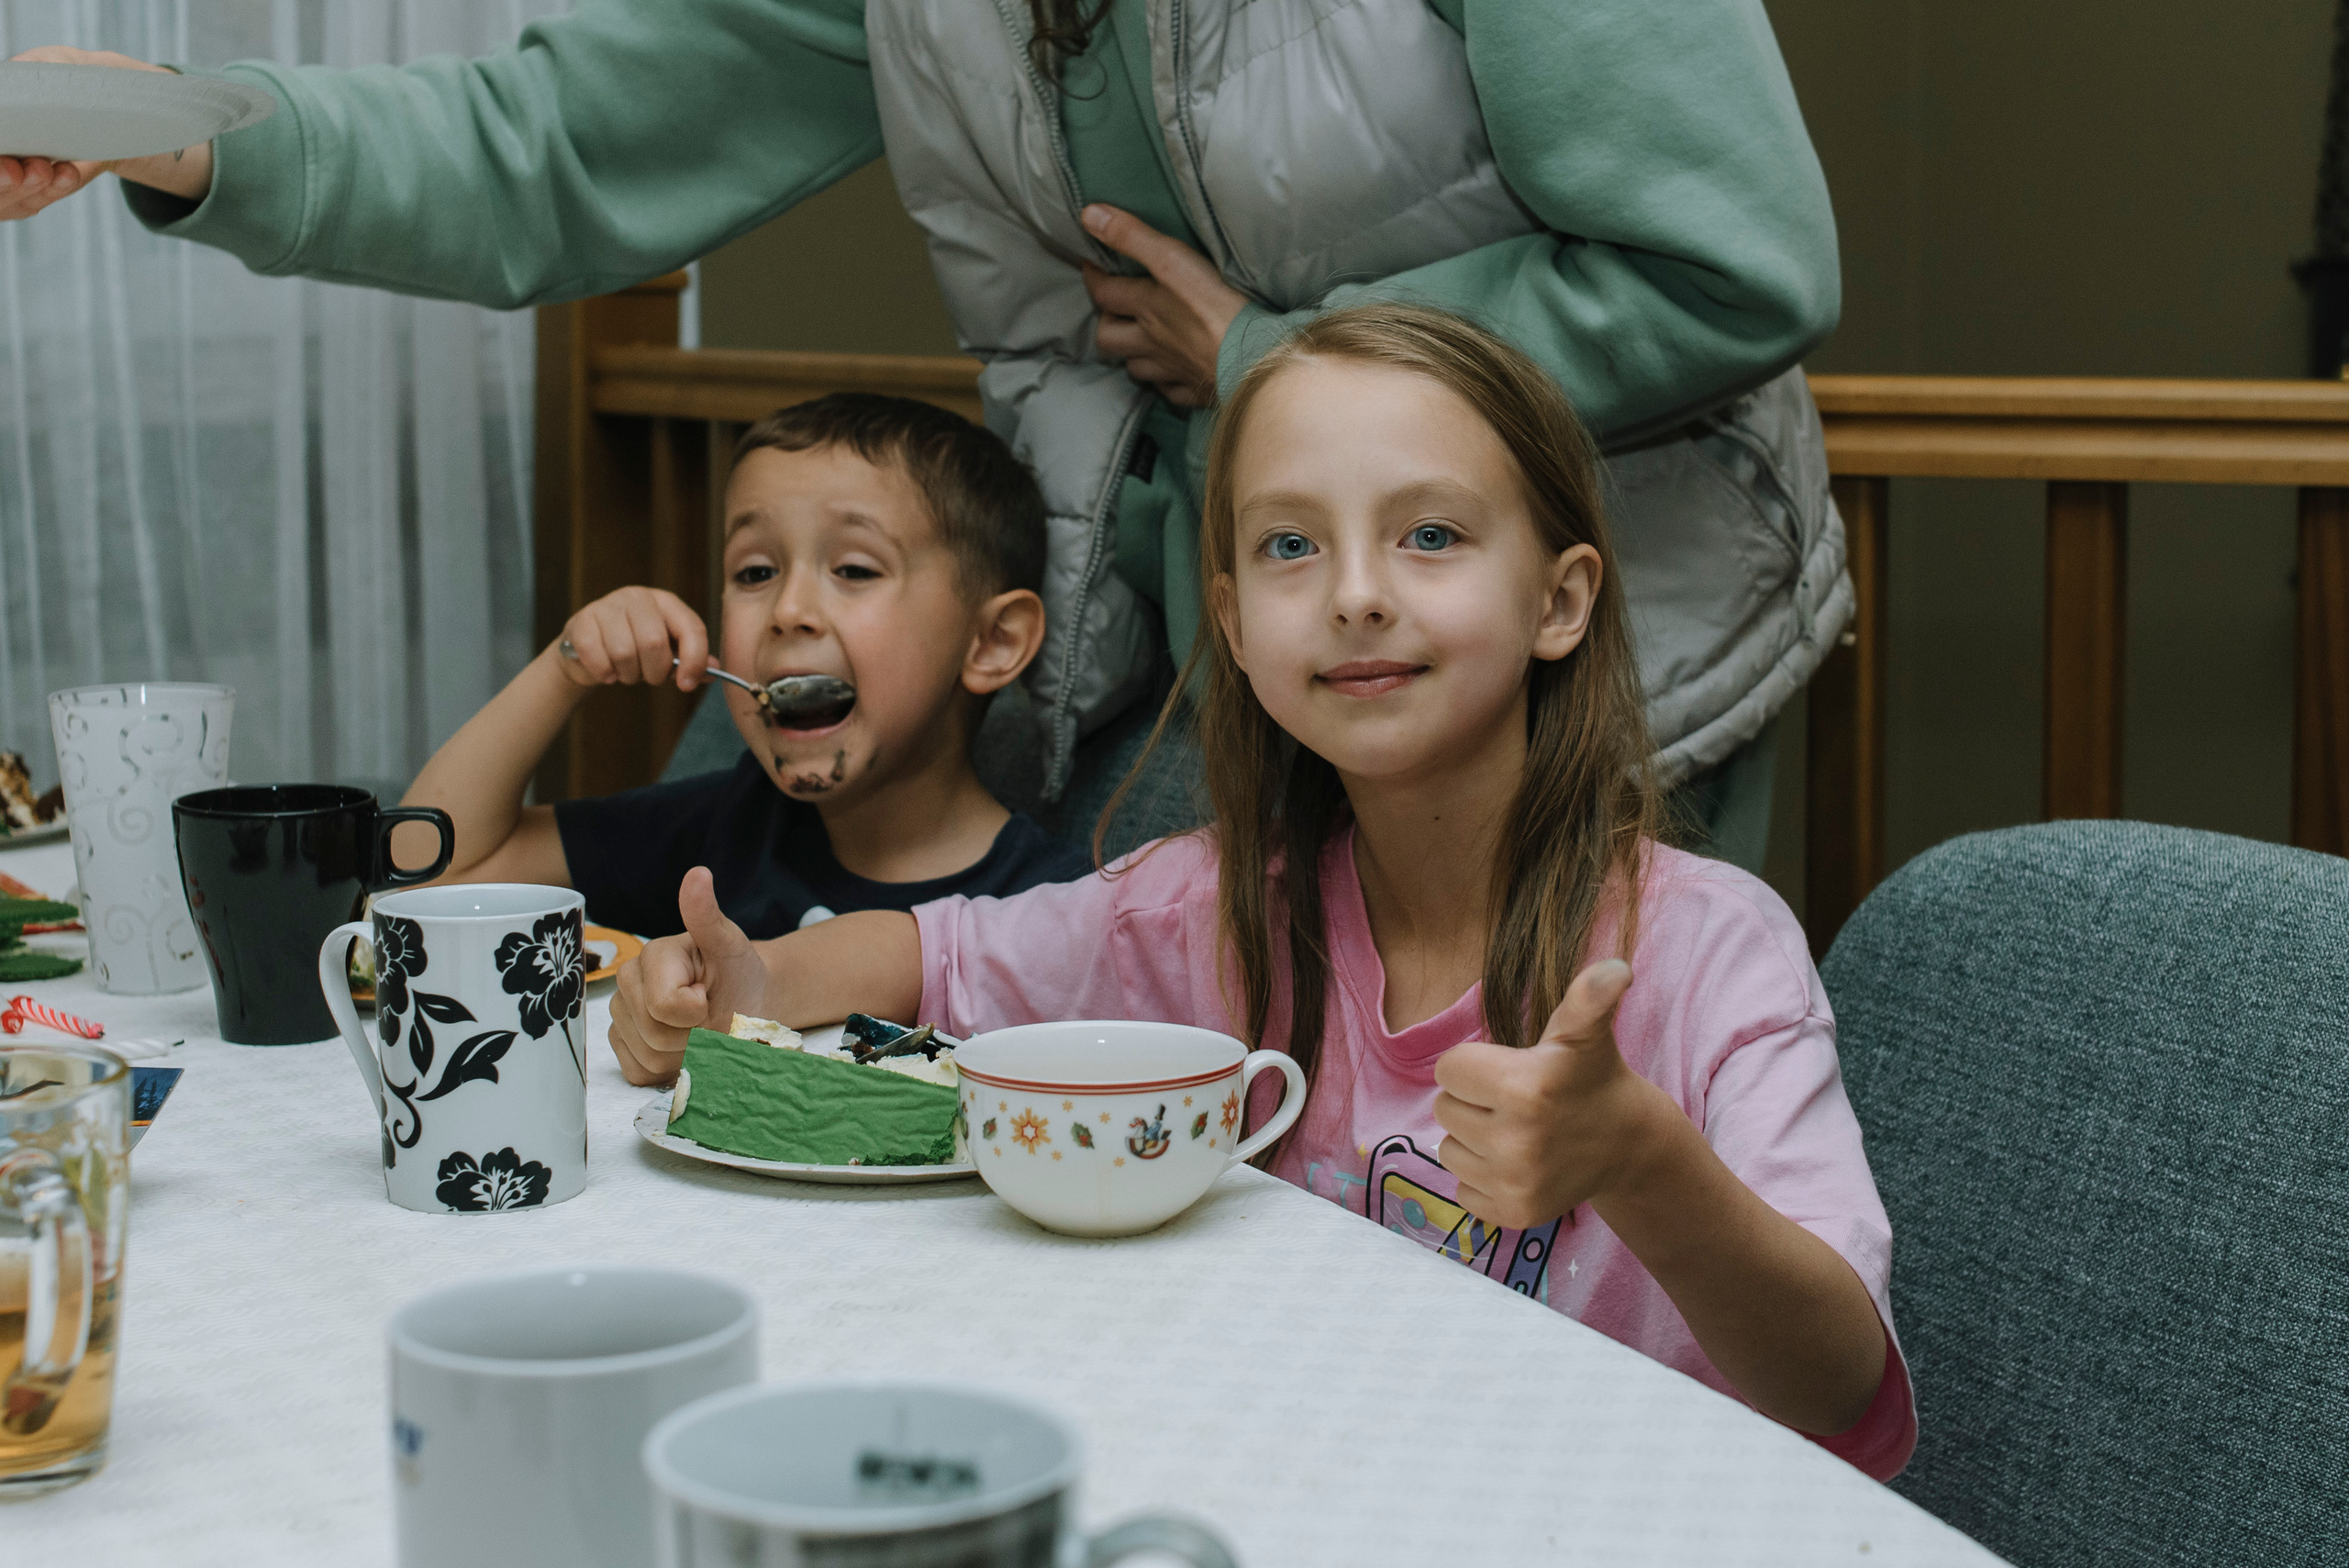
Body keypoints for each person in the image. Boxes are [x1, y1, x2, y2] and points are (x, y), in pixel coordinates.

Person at [3, 2, 1844, 871]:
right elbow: (538, 149)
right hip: (1154, 677)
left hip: (1534, 668)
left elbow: (1724, 256)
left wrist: (1273, 361)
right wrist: (164, 114)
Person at [605, 306, 1915, 1478]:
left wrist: (1639, 1157)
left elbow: (1838, 1378)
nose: (1353, 595)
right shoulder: (1204, 908)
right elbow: (935, 958)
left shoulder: (1709, 949)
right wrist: (762, 982)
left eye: (1432, 535)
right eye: (1292, 544)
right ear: (1232, 623)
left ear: (1560, 601)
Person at [398, 393, 1091, 938]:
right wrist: (564, 668)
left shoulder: (1059, 910)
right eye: (755, 571)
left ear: (992, 641)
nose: (788, 609)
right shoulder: (721, 832)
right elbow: (421, 877)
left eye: (853, 567)